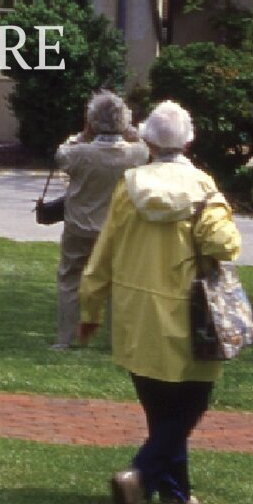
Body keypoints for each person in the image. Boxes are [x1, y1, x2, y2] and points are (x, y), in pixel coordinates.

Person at [77, 100, 243, 504]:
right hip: (192, 313)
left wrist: (90, 308)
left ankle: (175, 490)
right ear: (189, 141)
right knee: (190, 405)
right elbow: (223, 245)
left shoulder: (129, 185)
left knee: (159, 407)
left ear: (147, 139)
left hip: (137, 313)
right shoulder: (204, 188)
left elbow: (104, 252)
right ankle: (140, 475)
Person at [51, 91, 151, 351]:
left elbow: (60, 154)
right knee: (118, 282)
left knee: (70, 279)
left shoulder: (78, 154)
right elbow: (147, 145)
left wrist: (84, 133)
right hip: (118, 230)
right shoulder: (136, 155)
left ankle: (64, 339)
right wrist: (129, 130)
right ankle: (117, 341)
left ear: (91, 121)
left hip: (79, 228)